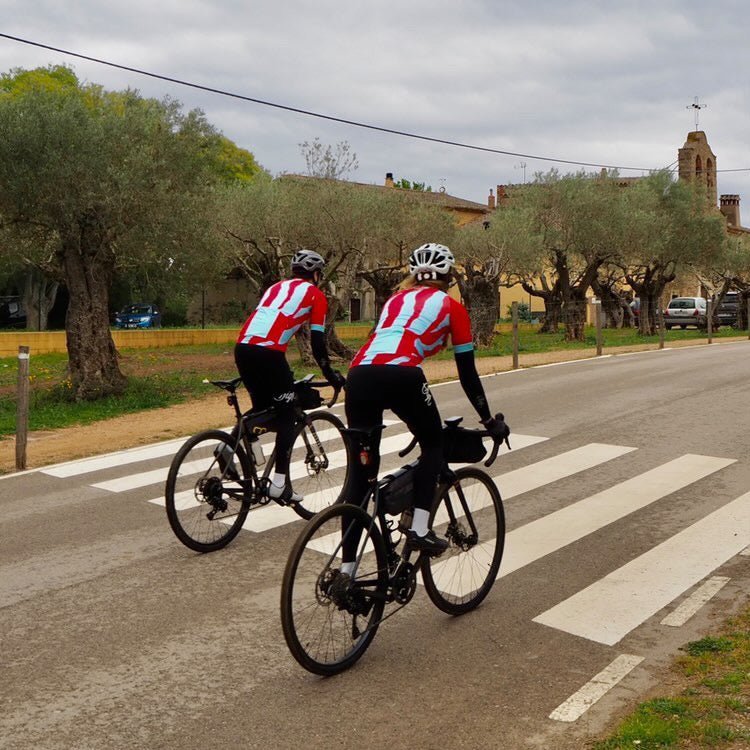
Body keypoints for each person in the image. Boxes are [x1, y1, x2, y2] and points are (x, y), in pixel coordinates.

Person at [342, 242, 510, 559]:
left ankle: (346, 571)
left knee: (359, 479)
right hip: (403, 374)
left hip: (359, 375)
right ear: (448, 277)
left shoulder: (393, 301)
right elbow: (467, 373)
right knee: (434, 444)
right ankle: (419, 529)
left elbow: (378, 345)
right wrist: (489, 420)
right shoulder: (452, 307)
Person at [234, 249, 346, 503]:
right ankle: (280, 484)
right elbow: (318, 342)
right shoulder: (316, 296)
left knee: (262, 409)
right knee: (287, 414)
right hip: (269, 353)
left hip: (243, 348)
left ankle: (228, 446)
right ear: (316, 274)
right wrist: (330, 372)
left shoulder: (275, 288)